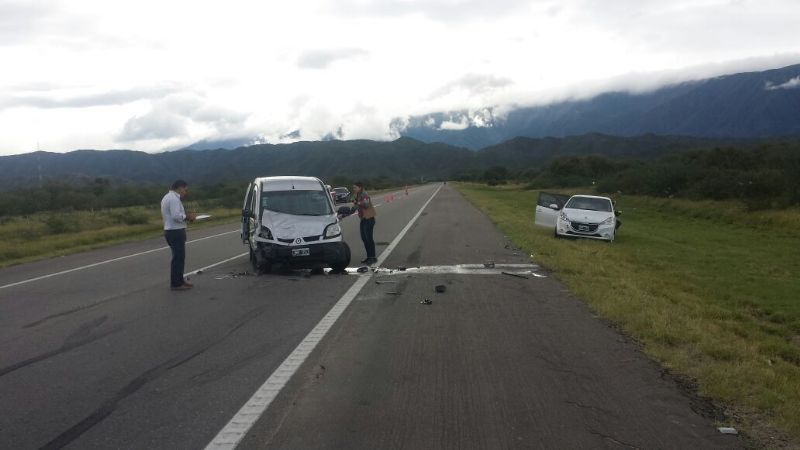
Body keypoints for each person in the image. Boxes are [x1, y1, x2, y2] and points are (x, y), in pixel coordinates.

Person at [161, 180, 196, 290]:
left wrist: (185, 216)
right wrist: (187, 217)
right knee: (178, 258)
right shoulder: (173, 199)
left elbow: (174, 215)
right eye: (185, 190)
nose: (185, 192)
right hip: (175, 232)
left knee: (179, 257)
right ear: (180, 188)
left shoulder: (168, 197)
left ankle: (179, 280)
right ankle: (176, 284)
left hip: (171, 231)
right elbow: (176, 216)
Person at [352, 181, 377, 265]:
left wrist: (357, 202)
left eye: (355, 187)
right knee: (364, 238)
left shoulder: (364, 194)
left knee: (369, 238)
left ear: (360, 187)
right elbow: (356, 206)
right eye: (353, 188)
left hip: (369, 218)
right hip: (363, 219)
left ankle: (373, 257)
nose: (354, 189)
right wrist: (347, 212)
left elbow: (366, 205)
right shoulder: (357, 195)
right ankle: (369, 257)